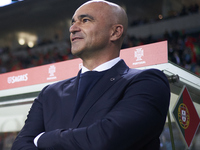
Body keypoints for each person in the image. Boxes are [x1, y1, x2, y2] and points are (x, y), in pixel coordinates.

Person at [11, 0, 170, 149]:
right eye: (73, 22)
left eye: (85, 20)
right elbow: (20, 146)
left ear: (115, 32)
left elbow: (104, 139)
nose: (72, 28)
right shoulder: (49, 93)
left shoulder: (147, 82)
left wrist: (42, 139)